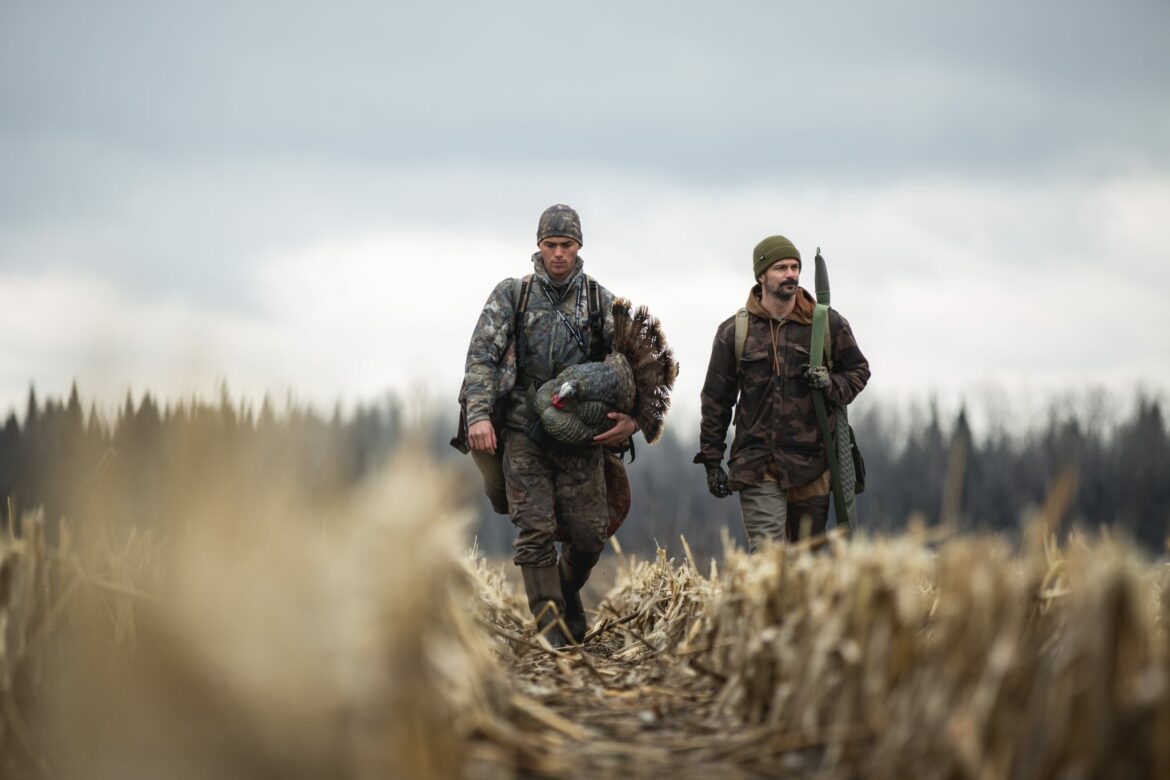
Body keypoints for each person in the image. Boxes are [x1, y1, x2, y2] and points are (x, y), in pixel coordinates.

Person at [462, 204, 636, 647]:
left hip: (581, 435)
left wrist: (633, 420)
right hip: (523, 429)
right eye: (550, 244)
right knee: (534, 530)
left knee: (589, 536)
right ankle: (553, 635)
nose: (558, 253)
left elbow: (634, 370)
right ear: (538, 246)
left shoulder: (600, 302)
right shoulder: (513, 295)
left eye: (566, 244)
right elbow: (481, 357)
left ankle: (560, 596)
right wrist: (478, 415)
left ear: (579, 247)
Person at [695, 235, 870, 552]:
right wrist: (711, 460)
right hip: (757, 465)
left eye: (795, 267)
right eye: (781, 268)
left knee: (807, 561)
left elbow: (858, 370)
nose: (791, 274)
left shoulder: (826, 324)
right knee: (767, 559)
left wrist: (830, 385)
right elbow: (716, 400)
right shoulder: (735, 332)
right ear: (761, 276)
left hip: (813, 464)